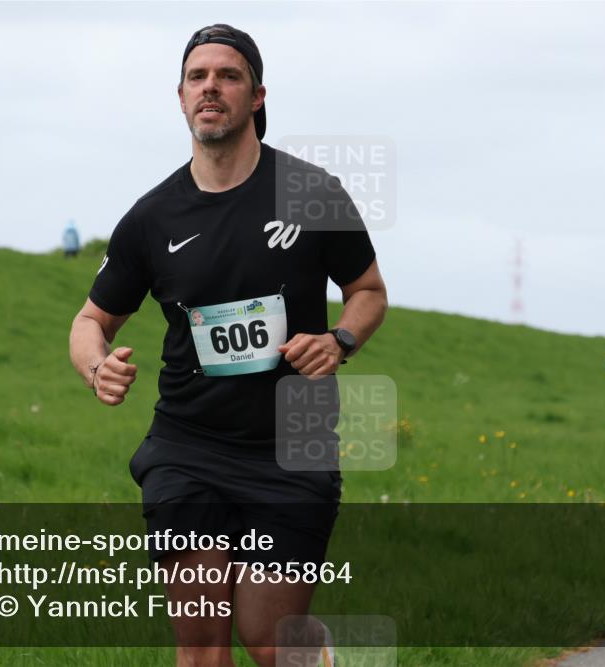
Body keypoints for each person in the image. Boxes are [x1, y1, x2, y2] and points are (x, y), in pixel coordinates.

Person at [68, 24, 387, 667]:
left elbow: (369, 291)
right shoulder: (151, 218)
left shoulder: (311, 192)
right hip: (187, 447)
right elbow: (89, 321)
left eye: (228, 75)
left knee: (269, 643)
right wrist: (96, 366)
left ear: (257, 96)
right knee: (203, 648)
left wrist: (340, 339)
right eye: (197, 76)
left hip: (291, 448)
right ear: (181, 97)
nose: (210, 86)